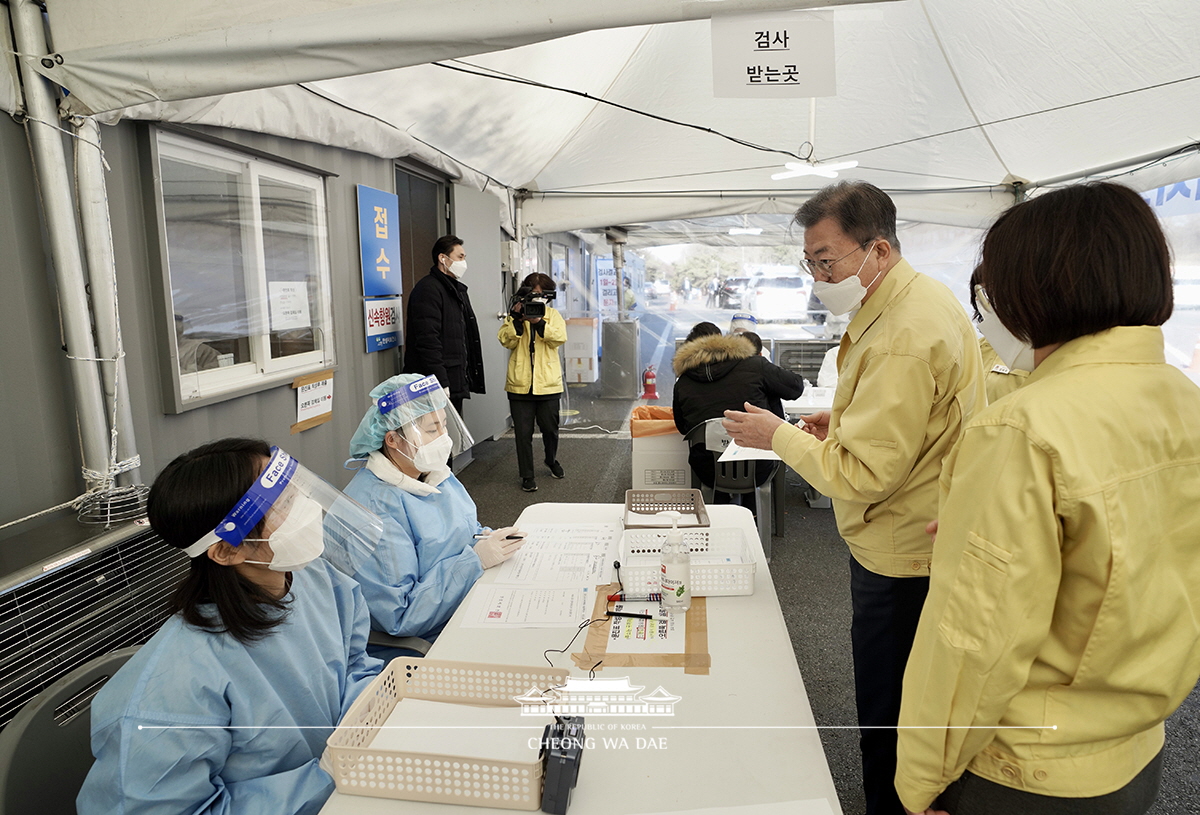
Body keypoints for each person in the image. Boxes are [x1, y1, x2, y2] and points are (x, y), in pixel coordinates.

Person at [896, 182, 1200, 815]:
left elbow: (973, 641)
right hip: (1138, 748)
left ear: (1034, 288)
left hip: (1027, 770)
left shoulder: (1023, 426)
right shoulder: (1182, 397)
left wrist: (920, 780)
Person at [722, 181, 985, 815]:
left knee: (890, 707)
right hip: (923, 524)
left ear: (879, 249)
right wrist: (841, 424)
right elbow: (911, 425)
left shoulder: (901, 330)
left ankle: (892, 805)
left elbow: (866, 475)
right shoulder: (913, 301)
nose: (818, 275)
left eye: (828, 259)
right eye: (809, 262)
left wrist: (777, 435)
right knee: (912, 702)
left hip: (901, 546)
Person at [79, 439, 384, 815]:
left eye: (295, 489)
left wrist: (368, 732)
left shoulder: (315, 578)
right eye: (282, 504)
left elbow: (354, 664)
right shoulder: (172, 688)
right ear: (227, 550)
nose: (305, 508)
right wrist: (328, 776)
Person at [344, 374, 526, 661]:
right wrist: (475, 561)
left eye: (443, 424)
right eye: (431, 430)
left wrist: (488, 539)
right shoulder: (374, 510)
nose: (443, 437)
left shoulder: (432, 474)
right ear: (392, 439)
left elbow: (463, 530)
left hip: (464, 603)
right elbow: (401, 615)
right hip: (427, 641)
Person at [673, 321, 803, 508]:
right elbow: (795, 388)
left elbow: (683, 427)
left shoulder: (683, 382)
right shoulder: (755, 365)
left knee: (713, 456)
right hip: (758, 467)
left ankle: (719, 509)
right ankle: (753, 510)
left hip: (708, 469)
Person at [498, 273, 567, 492]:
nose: (536, 298)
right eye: (533, 293)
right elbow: (505, 341)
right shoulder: (515, 315)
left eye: (541, 294)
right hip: (520, 383)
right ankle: (527, 474)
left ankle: (551, 459)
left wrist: (539, 323)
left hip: (547, 383)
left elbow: (559, 338)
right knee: (523, 434)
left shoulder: (553, 315)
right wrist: (518, 321)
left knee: (550, 428)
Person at [403, 234, 485, 416]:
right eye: (460, 257)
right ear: (443, 258)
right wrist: (440, 382)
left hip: (453, 378)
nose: (464, 262)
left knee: (452, 437)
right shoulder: (428, 289)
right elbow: (428, 340)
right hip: (434, 383)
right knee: (437, 435)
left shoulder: (455, 289)